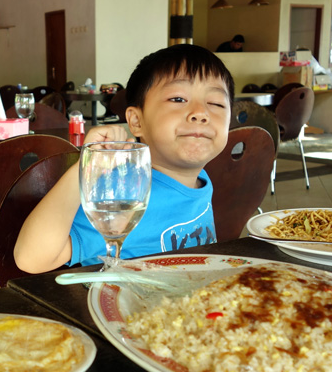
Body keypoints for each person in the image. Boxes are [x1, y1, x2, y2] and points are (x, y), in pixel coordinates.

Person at [14, 44, 234, 273]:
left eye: (216, 103)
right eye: (178, 99)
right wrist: (86, 168)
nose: (200, 113)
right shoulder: (123, 189)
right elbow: (31, 259)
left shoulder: (201, 179)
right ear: (137, 121)